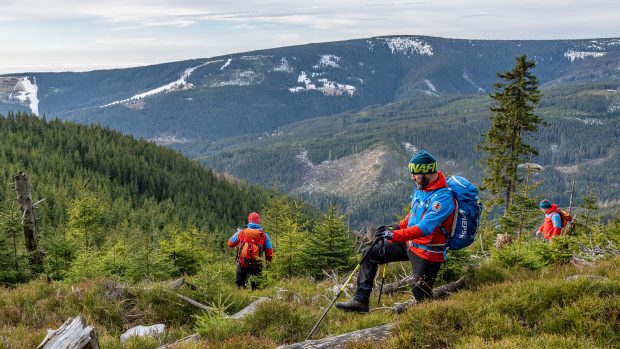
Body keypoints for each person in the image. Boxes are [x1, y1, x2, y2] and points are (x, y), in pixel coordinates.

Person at [335, 150, 456, 313]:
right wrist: (394, 227)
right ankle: (360, 301)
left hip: (427, 252)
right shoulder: (422, 189)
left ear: (427, 171)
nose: (413, 177)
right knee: (368, 254)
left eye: (416, 174)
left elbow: (425, 228)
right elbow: (412, 216)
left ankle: (434, 321)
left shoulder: (443, 198)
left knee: (421, 295)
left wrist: (393, 235)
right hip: (409, 244)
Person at [227, 212, 273, 290]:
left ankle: (240, 299)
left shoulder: (241, 232)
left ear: (249, 221)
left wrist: (238, 233)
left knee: (240, 288)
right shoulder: (264, 235)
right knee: (256, 290)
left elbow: (230, 244)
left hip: (242, 265)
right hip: (256, 266)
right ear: (259, 221)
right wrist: (268, 263)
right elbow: (269, 253)